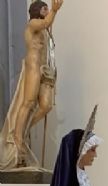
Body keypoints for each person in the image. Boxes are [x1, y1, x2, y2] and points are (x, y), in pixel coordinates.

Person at [0, 0, 63, 170]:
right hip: (33, 67)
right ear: (36, 10)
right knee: (27, 103)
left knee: (46, 106)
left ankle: (24, 128)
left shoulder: (43, 30)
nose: (47, 9)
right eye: (44, 8)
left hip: (43, 70)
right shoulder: (33, 23)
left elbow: (48, 26)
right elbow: (45, 22)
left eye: (47, 8)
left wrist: (54, 13)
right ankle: (18, 139)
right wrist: (55, 11)